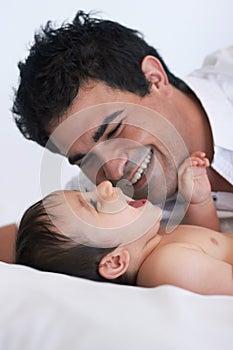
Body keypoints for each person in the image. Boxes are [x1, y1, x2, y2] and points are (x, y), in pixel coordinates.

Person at [3, 10, 233, 261]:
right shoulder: (104, 208)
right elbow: (25, 244)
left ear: (154, 79)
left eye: (115, 130)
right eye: (84, 160)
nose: (112, 172)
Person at [16, 152, 233, 295]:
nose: (104, 187)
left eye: (87, 192)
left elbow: (214, 245)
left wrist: (198, 201)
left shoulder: (158, 242)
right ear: (115, 262)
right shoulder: (165, 267)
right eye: (94, 204)